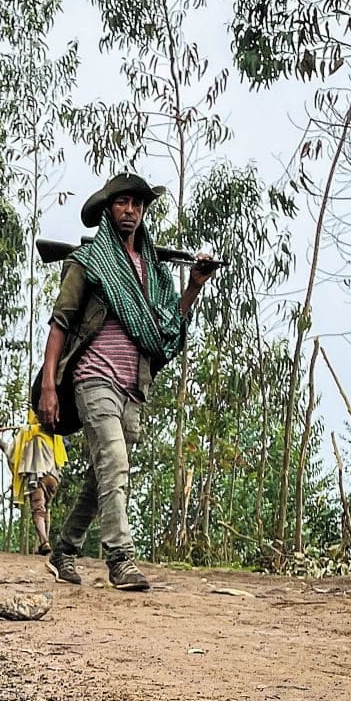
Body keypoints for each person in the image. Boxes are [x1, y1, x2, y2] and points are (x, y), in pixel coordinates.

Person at [38, 173, 214, 591]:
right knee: (115, 462)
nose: (130, 211)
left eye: (137, 204)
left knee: (103, 474)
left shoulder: (152, 269)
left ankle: (64, 548)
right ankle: (120, 558)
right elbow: (60, 323)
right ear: (107, 211)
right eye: (121, 204)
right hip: (92, 377)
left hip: (133, 385)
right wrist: (48, 384)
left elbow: (168, 324)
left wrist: (193, 286)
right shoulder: (89, 262)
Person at [0, 409, 67, 555]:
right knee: (46, 508)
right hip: (54, 477)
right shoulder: (54, 435)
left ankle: (44, 542)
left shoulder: (26, 435)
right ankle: (45, 542)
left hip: (37, 476)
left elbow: (8, 451)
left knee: (38, 509)